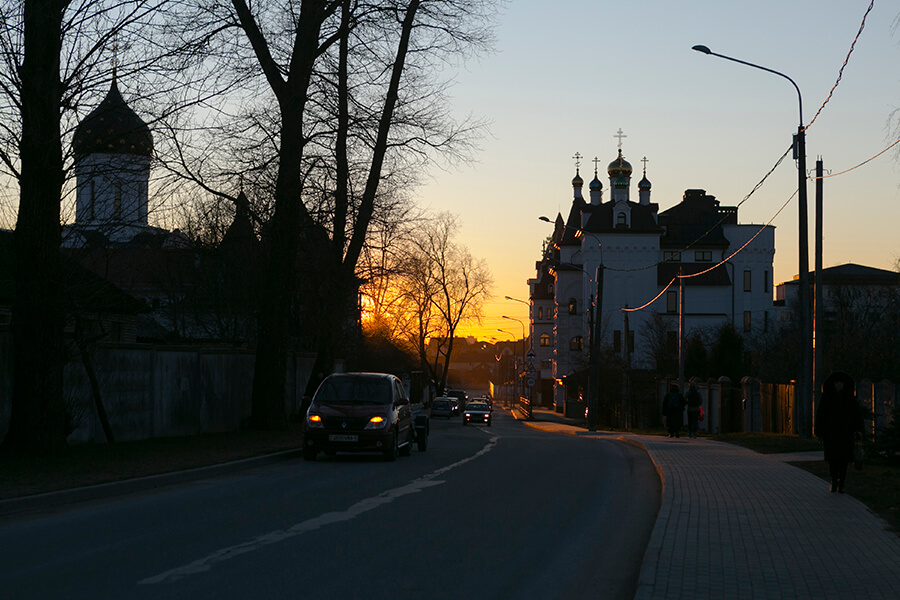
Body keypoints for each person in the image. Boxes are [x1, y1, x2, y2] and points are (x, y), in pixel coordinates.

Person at [815, 371, 864, 493]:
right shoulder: (826, 397)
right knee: (833, 460)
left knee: (844, 460)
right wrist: (820, 432)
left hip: (846, 434)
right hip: (831, 434)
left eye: (841, 383)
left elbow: (856, 415)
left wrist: (858, 430)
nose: (839, 385)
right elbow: (821, 415)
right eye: (837, 383)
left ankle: (841, 483)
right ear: (833, 384)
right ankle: (834, 480)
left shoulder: (849, 398)